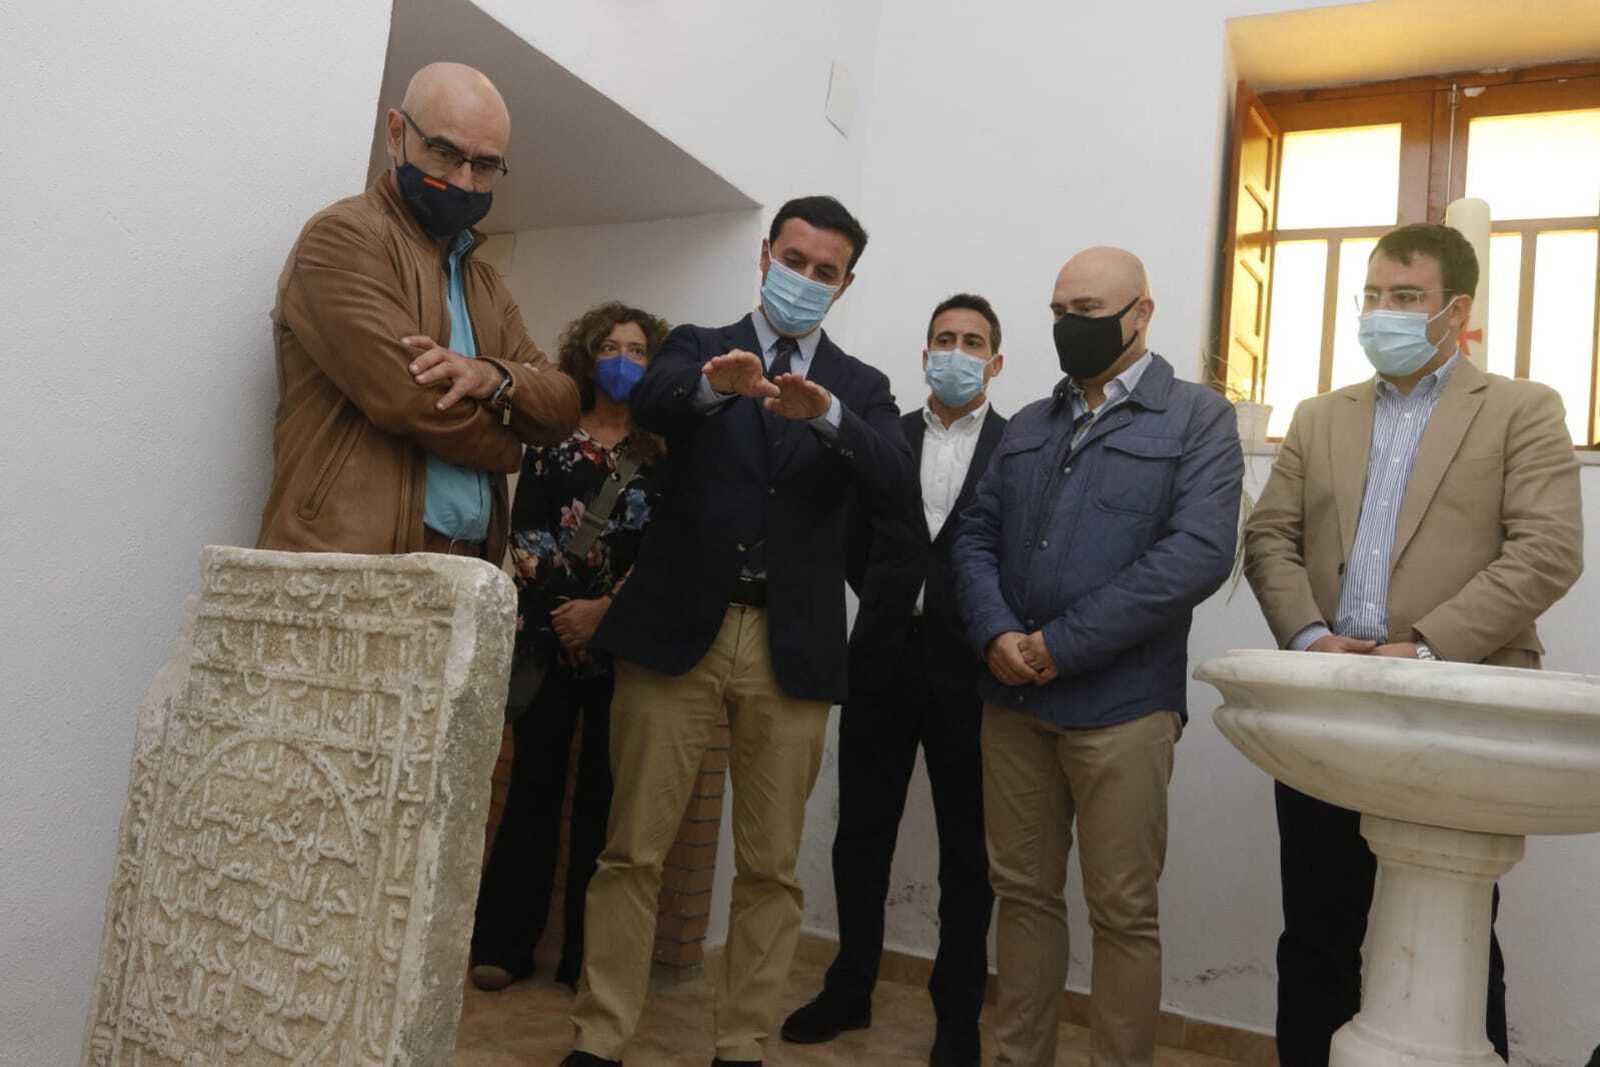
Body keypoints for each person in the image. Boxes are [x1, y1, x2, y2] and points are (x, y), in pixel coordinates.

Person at [563, 196, 915, 1067]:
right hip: (678, 627)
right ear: (765, 256)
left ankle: (741, 1044)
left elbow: (892, 480)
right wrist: (716, 389)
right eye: (793, 260)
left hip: (789, 646)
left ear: (846, 284)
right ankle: (601, 1037)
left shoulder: (861, 388)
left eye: (824, 272)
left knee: (770, 867)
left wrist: (827, 415)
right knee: (632, 849)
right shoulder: (694, 341)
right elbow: (652, 398)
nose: (805, 280)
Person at [1244, 221, 1584, 1067]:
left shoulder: (1521, 408)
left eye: (1405, 298)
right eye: (1371, 296)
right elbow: (1269, 540)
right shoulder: (1321, 416)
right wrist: (1313, 637)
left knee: (1451, 932)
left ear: (1455, 311)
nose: (1380, 313)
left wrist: (1425, 647)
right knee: (1317, 931)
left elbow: (1547, 549)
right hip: (1327, 704)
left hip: (1453, 708)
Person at [953, 247, 1244, 1067]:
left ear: (1141, 313)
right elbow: (976, 535)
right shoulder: (1031, 425)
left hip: (1123, 710)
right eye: (1057, 311)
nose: (1068, 327)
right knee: (1023, 898)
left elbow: (1194, 556)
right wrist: (995, 632)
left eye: (1087, 309)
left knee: (1122, 912)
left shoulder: (1197, 419)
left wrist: (1059, 645)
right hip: (1012, 702)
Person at [781, 294, 1006, 1067]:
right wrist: (887, 599)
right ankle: (850, 987)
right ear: (924, 353)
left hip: (972, 672)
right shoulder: (884, 437)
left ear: (995, 362)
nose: (956, 351)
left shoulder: (1018, 448)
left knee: (967, 852)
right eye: (944, 338)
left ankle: (958, 1013)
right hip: (880, 659)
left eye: (972, 341)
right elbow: (852, 543)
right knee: (860, 834)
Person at [256, 62, 579, 559]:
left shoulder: (484, 282)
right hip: (351, 560)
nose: (465, 182)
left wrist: (491, 377)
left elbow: (561, 406)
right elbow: (407, 399)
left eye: (486, 165)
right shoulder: (343, 238)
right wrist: (511, 445)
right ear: (396, 133)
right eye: (445, 153)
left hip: (468, 562)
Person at [469, 302, 670, 995]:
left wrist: (605, 613)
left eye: (639, 349)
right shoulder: (553, 439)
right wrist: (566, 615)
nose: (624, 359)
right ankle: (502, 945)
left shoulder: (666, 452)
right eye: (612, 346)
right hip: (547, 643)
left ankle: (590, 958)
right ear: (588, 356)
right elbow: (525, 535)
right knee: (531, 789)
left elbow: (668, 551)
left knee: (606, 803)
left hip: (625, 649)